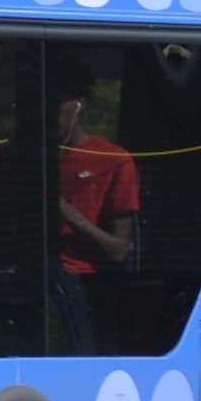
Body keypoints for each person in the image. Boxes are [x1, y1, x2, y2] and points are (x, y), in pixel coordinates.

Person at [54, 88, 143, 276]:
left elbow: (119, 250)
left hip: (77, 278)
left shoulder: (113, 160)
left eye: (56, 101)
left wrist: (66, 212)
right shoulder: (23, 158)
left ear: (80, 104)